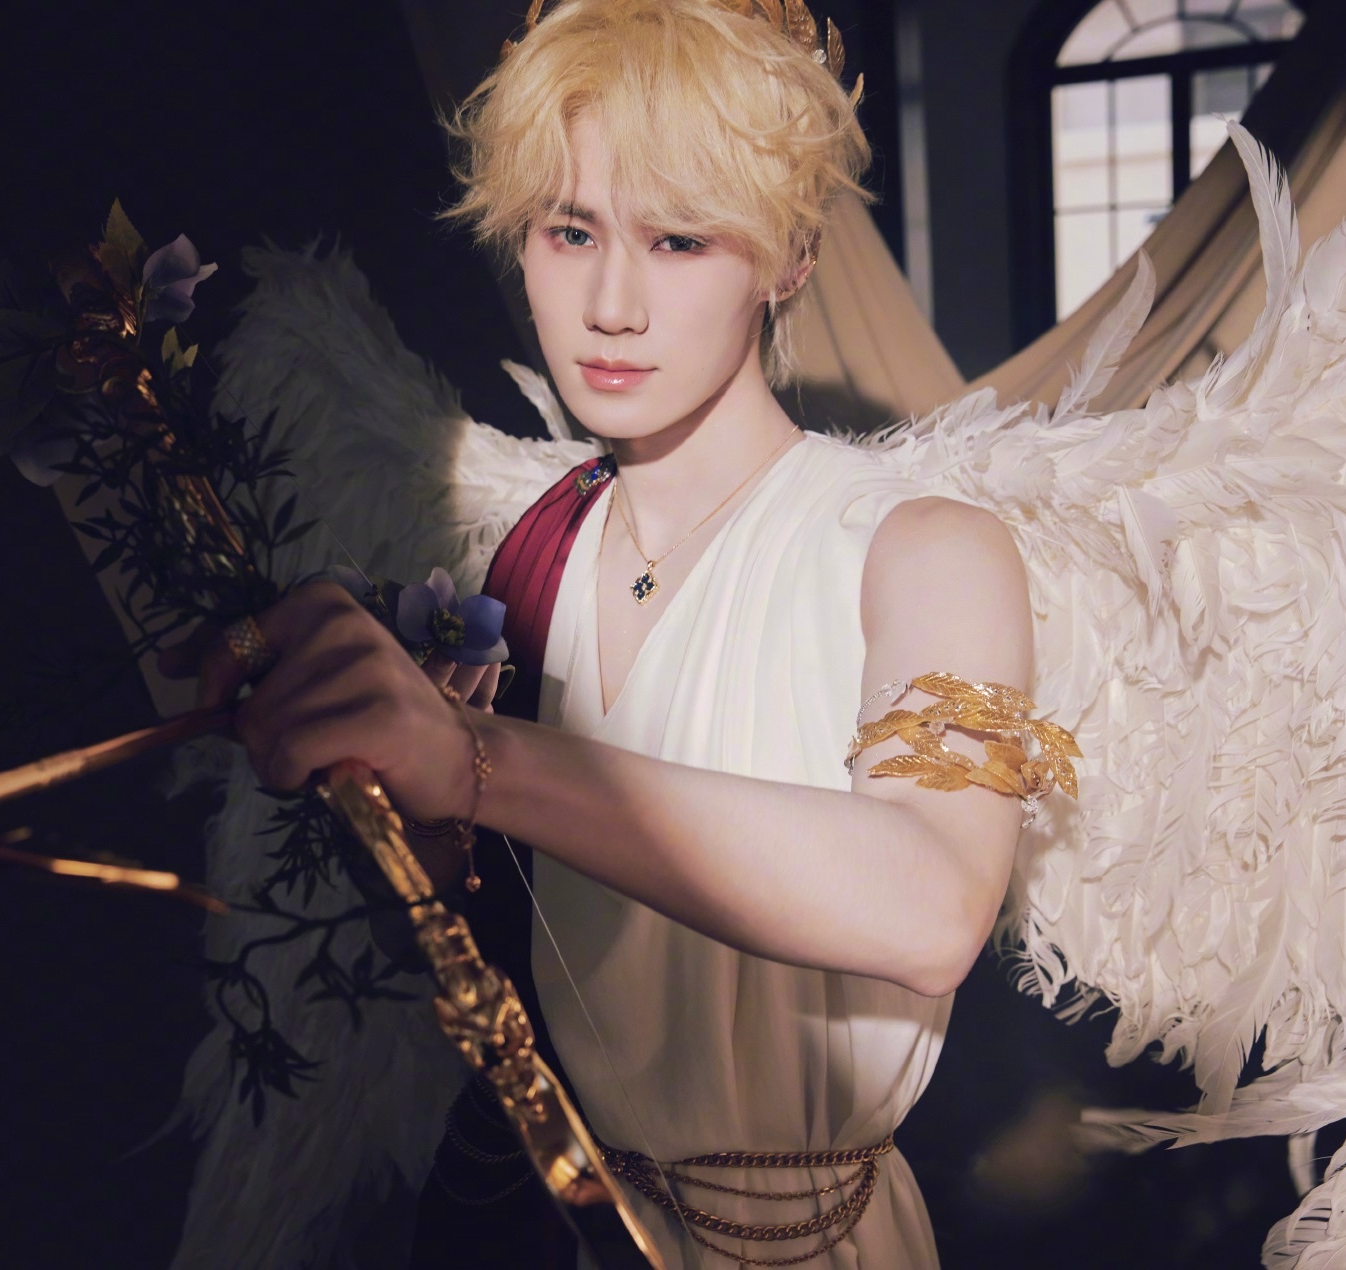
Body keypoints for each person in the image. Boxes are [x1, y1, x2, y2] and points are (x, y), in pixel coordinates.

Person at [195, 2, 1037, 1264]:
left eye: (678, 238)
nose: (609, 304)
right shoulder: (526, 556)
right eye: (569, 229)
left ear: (790, 255)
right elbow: (499, 945)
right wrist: (402, 814)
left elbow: (931, 908)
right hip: (539, 1219)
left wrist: (475, 758)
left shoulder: (927, 549)